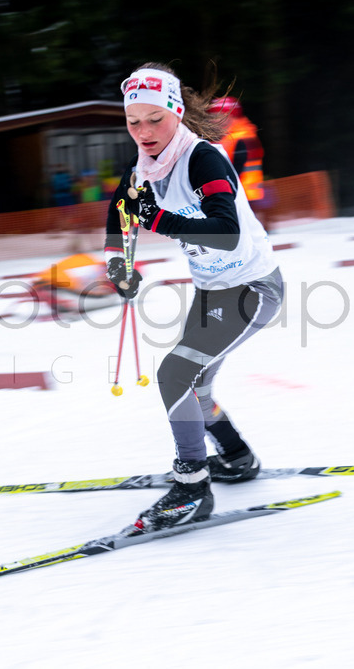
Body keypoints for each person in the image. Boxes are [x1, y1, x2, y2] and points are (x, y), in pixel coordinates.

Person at [104, 63, 281, 532]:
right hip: (213, 290)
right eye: (133, 120)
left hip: (253, 288)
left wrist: (158, 219)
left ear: (176, 113)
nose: (143, 131)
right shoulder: (145, 165)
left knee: (176, 375)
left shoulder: (203, 159)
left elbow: (225, 231)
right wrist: (118, 263)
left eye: (154, 119)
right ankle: (238, 457)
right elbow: (121, 210)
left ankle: (192, 488)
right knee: (194, 384)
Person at [209, 97, 264, 207]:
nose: (212, 121)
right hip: (246, 196)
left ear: (230, 115)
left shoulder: (240, 139)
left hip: (245, 198)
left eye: (216, 116)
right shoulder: (233, 137)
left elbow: (234, 171)